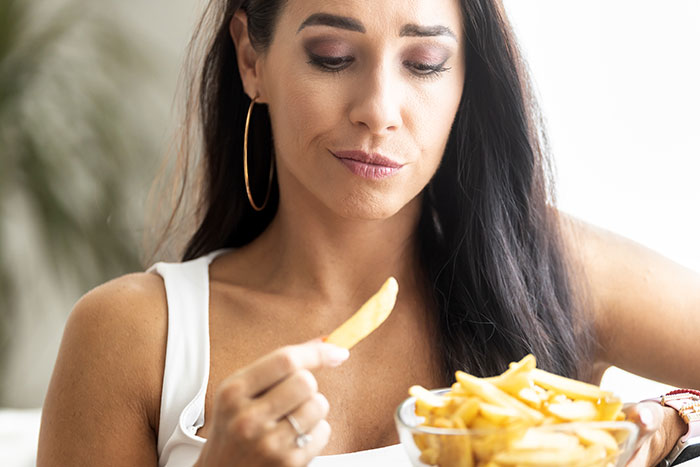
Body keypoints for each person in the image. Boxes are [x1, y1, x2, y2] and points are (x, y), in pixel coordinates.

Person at [37, 0, 700, 466]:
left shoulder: (551, 270)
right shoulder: (130, 335)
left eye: (425, 62)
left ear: (467, 75)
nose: (378, 110)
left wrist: (666, 418)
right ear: (250, 56)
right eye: (333, 55)